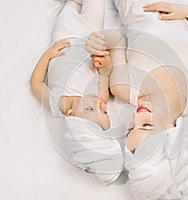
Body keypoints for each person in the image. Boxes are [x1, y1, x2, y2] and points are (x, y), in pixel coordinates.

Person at [86, 1, 188, 198]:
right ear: (173, 137)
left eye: (130, 128)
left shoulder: (125, 88)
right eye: (147, 125)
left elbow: (117, 41)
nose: (136, 117)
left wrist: (98, 41)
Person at [30, 0, 125, 185]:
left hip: (64, 35)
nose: (101, 105)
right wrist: (105, 65)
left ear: (71, 115)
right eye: (105, 112)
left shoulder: (58, 103)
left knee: (70, 6)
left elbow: (36, 83)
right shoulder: (100, 97)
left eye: (91, 110)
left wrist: (48, 55)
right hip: (90, 36)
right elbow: (105, 73)